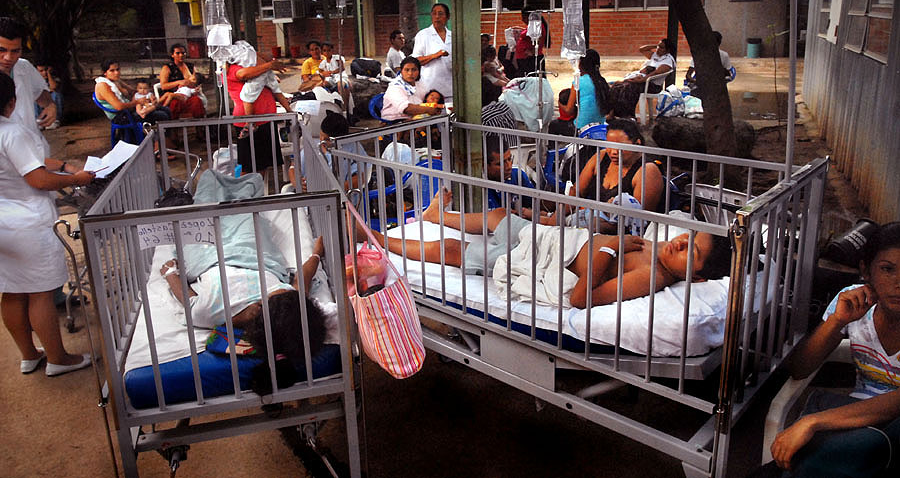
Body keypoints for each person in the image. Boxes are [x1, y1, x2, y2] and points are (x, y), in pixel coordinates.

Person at [363, 187, 731, 310]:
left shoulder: (649, 277)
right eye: (688, 237)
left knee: (456, 250)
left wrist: (609, 249)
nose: (680, 242)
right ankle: (438, 213)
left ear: (695, 277)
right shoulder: (657, 245)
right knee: (497, 215)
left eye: (690, 252)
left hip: (543, 260)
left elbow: (582, 299)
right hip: (549, 240)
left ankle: (384, 241)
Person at [768, 222, 900, 477]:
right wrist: (837, 321)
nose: (898, 283)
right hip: (855, 425)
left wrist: (814, 421)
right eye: (887, 269)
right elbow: (800, 368)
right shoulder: (853, 301)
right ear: (866, 270)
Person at [0, 72, 96, 376]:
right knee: (40, 292)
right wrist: (76, 178)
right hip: (26, 222)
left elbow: (33, 162)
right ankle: (58, 358)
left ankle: (30, 355)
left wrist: (64, 166)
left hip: (4, 224)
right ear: (13, 101)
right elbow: (38, 178)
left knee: (13, 292)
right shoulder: (12, 132)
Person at [161, 234, 329, 397]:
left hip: (209, 258)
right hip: (259, 256)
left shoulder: (211, 311)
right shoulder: (291, 303)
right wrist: (316, 253)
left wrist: (170, 272)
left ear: (259, 308)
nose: (283, 290)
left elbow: (186, 297)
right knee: (244, 212)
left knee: (198, 217)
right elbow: (303, 276)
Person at [567, 118, 666, 234]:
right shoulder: (601, 157)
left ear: (637, 144)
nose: (613, 152)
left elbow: (636, 222)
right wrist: (556, 217)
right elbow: (576, 192)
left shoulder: (647, 171)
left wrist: (593, 228)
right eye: (609, 145)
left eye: (620, 147)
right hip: (586, 221)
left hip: (617, 235)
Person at [225, 41, 287, 169]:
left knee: (262, 165)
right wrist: (269, 65)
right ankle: (245, 188)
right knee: (249, 166)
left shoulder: (249, 54)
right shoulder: (233, 68)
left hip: (265, 120)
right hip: (249, 121)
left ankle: (258, 187)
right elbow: (242, 74)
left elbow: (262, 57)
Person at [0, 17, 56, 156]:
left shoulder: (23, 67)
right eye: (1, 50)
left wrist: (50, 105)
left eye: (15, 51)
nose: (8, 57)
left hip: (36, 151)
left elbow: (41, 92)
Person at [608, 38, 676, 119]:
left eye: (661, 48)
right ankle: (612, 113)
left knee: (627, 87)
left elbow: (654, 74)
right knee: (617, 86)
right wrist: (657, 45)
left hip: (652, 85)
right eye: (658, 47)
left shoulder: (668, 61)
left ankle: (628, 116)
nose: (658, 49)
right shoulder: (655, 55)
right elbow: (642, 49)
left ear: (667, 50)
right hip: (642, 80)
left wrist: (640, 79)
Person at [95, 60, 171, 127]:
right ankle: (162, 140)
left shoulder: (115, 80)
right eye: (112, 71)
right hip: (121, 116)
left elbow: (133, 91)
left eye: (118, 69)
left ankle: (170, 136)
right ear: (104, 72)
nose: (116, 73)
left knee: (166, 109)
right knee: (162, 115)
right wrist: (137, 102)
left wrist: (148, 95)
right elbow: (119, 107)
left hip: (130, 109)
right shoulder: (103, 85)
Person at [381, 56, 443, 122]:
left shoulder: (420, 84)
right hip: (395, 120)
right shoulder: (395, 87)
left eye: (414, 70)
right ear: (401, 71)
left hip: (415, 118)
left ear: (419, 71)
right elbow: (406, 108)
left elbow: (426, 100)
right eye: (406, 70)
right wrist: (428, 109)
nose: (410, 73)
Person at [560, 49, 609, 131]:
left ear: (581, 64)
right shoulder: (603, 81)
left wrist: (560, 104)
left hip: (581, 128)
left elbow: (569, 110)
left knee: (553, 126)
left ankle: (550, 144)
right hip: (601, 126)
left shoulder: (578, 81)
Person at [412, 3, 452, 101]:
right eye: (434, 14)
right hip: (430, 90)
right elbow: (416, 61)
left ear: (448, 17)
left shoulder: (453, 35)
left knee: (451, 115)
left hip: (451, 88)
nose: (437, 17)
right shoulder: (423, 35)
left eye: (441, 14)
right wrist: (435, 55)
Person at [157, 43, 206, 119]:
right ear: (172, 55)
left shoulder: (190, 66)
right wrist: (179, 82)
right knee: (175, 104)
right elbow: (163, 86)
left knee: (197, 101)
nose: (181, 55)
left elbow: (198, 80)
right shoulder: (167, 67)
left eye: (183, 53)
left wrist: (196, 88)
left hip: (188, 94)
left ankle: (199, 126)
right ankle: (173, 126)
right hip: (173, 94)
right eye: (178, 53)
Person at [684, 31, 732, 98]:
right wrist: (696, 82)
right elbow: (688, 75)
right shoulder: (699, 55)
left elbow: (728, 74)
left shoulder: (724, 56)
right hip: (701, 87)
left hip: (716, 88)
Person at [513, 7, 550, 78]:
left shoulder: (537, 27)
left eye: (524, 18)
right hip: (525, 58)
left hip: (531, 59)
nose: (522, 20)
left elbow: (539, 41)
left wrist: (532, 52)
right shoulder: (532, 26)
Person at [34, 62, 61, 129]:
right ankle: (39, 119)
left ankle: (55, 119)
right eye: (41, 71)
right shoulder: (34, 80)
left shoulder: (54, 78)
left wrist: (49, 74)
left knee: (56, 94)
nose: (44, 73)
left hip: (51, 102)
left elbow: (53, 87)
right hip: (42, 104)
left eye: (45, 70)